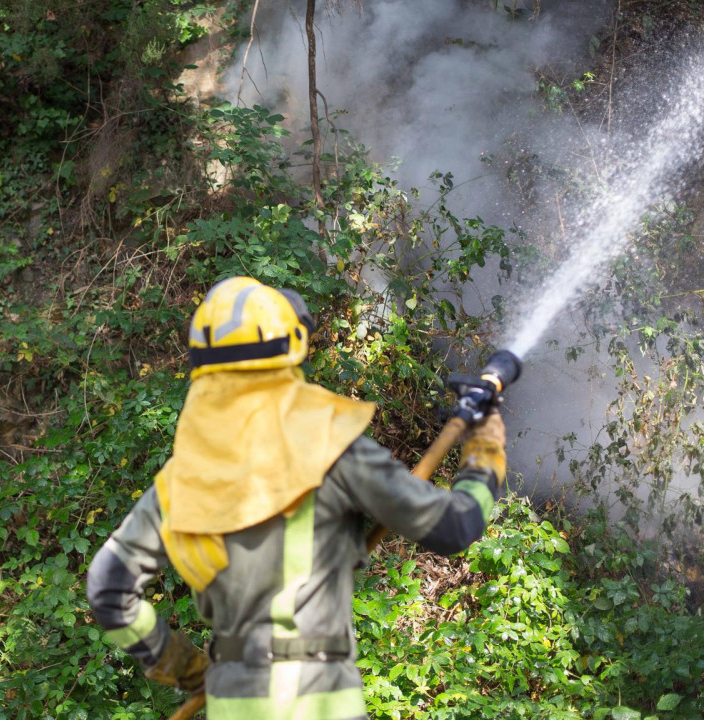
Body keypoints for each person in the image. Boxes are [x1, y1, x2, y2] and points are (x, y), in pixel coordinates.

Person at [86, 276, 508, 719]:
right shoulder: (328, 443)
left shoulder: (179, 479)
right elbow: (455, 526)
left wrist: (193, 672)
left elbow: (107, 590)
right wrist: (485, 450)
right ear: (291, 345)